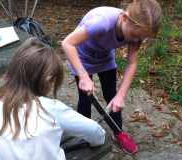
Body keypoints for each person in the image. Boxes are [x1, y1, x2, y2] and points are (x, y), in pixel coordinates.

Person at [0, 37, 105, 160]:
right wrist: (97, 141)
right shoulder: (51, 109)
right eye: (53, 82)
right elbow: (95, 132)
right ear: (47, 79)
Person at [62, 0, 162, 154]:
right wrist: (83, 76)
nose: (135, 41)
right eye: (134, 35)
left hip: (104, 57)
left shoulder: (135, 31)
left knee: (112, 95)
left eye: (140, 38)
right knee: (85, 97)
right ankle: (85, 134)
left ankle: (118, 133)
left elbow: (131, 64)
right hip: (82, 57)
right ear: (125, 18)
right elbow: (68, 44)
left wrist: (121, 96)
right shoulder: (101, 22)